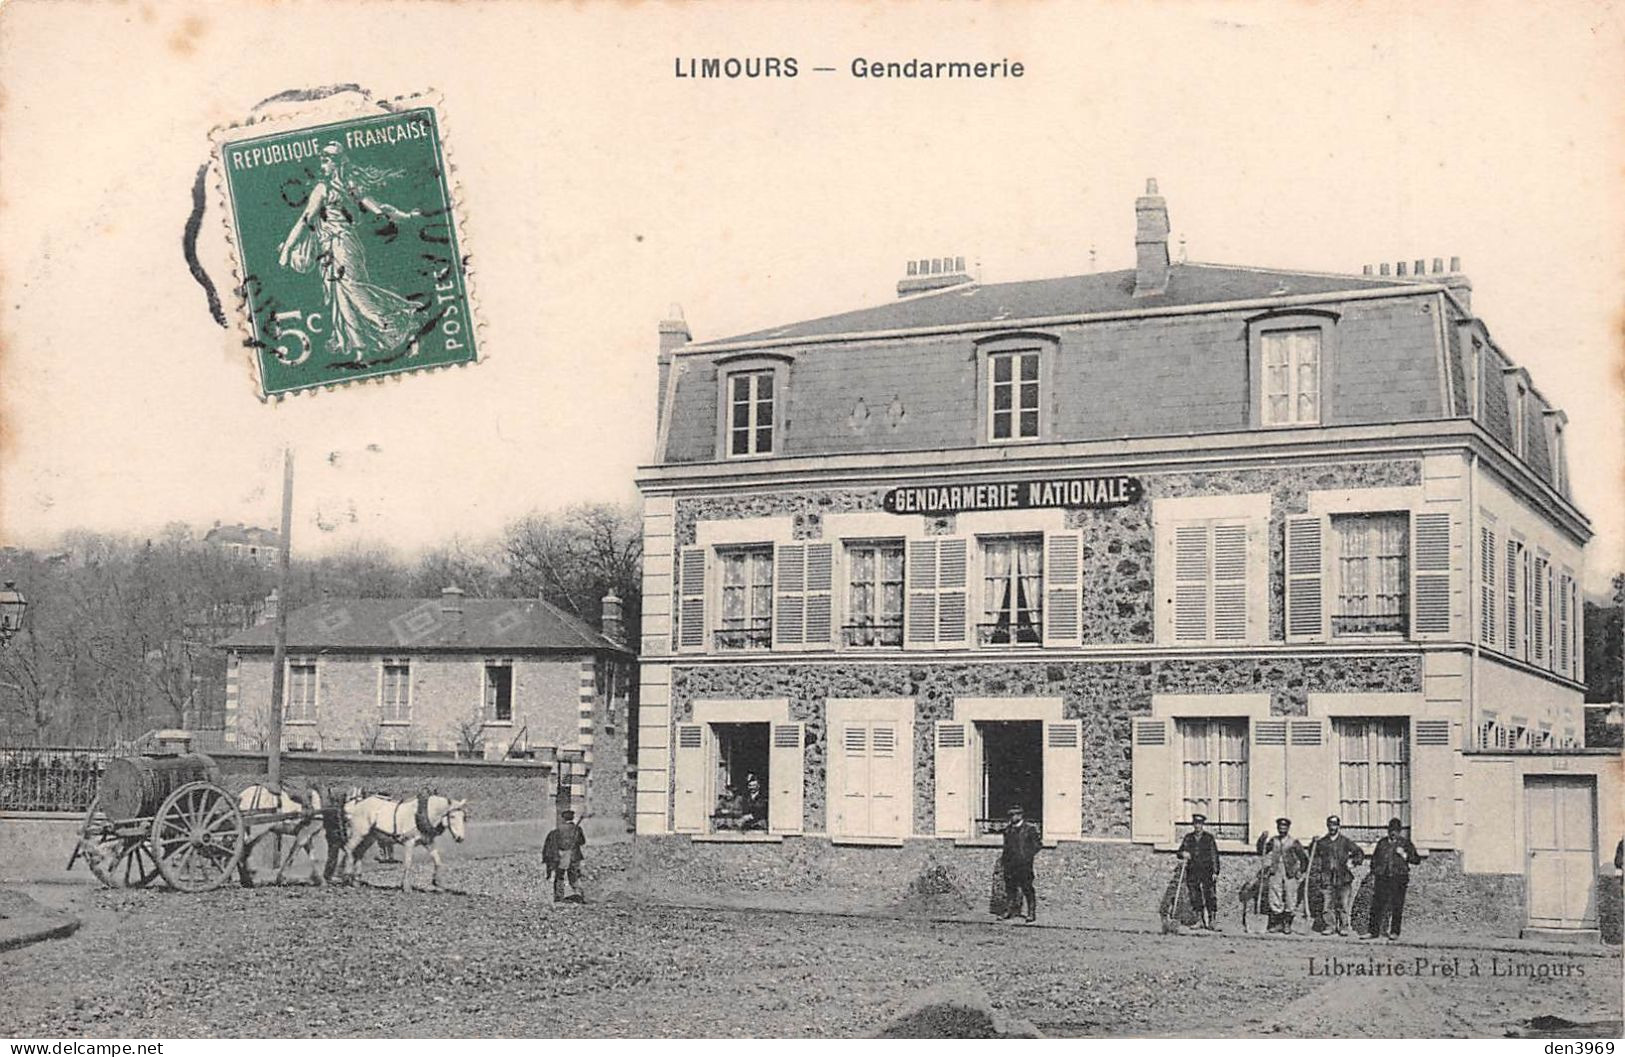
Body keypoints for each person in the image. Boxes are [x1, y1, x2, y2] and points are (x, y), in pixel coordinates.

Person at [277, 142, 426, 363]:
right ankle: (360, 349)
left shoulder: (331, 189)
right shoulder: (344, 186)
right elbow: (376, 207)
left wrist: (288, 248)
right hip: (332, 249)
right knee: (341, 297)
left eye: (326, 161)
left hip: (342, 245)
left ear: (336, 163)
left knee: (354, 288)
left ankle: (396, 317)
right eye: (322, 161)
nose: (323, 165)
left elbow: (306, 219)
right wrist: (404, 216)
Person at [1310, 815, 1365, 935]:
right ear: (1327, 825)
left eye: (1335, 825)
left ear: (1338, 826)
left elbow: (1359, 853)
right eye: (1330, 825)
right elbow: (1313, 855)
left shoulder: (1345, 841)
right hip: (1327, 878)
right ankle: (1330, 926)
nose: (1332, 827)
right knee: (1327, 904)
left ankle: (1344, 927)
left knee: (1343, 904)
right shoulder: (1322, 842)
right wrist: (1312, 843)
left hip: (1343, 878)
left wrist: (1353, 862)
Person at [1368, 817, 1420, 939]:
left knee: (1397, 905)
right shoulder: (1382, 843)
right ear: (1388, 830)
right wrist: (1375, 872)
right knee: (1377, 905)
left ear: (1400, 831)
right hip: (1383, 878)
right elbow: (1374, 860)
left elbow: (1417, 860)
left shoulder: (1405, 843)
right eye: (1391, 830)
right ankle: (1373, 932)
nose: (1393, 832)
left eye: (1396, 830)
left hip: (1399, 878)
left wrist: (1404, 855)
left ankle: (1394, 932)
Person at [1255, 817, 1309, 933]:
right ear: (1277, 828)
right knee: (1275, 896)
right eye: (1280, 827)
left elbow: (1304, 858)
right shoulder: (1273, 841)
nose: (1282, 829)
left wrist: (1300, 871)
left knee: (1290, 897)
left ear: (1288, 828)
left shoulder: (1294, 842)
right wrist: (1262, 839)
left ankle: (1287, 924)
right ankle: (1278, 923)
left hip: (1290, 872)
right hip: (1276, 871)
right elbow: (1261, 851)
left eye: (1284, 827)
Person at [1176, 814, 1221, 931]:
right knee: (1195, 895)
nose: (1197, 826)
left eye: (1200, 824)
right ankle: (1199, 920)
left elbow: (1214, 855)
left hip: (1207, 870)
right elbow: (1179, 852)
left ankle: (1212, 921)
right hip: (1193, 870)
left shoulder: (1208, 838)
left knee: (1210, 895)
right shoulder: (1188, 838)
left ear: (1203, 825)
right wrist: (1183, 854)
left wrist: (1215, 871)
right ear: (1193, 825)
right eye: (1196, 824)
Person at [999, 804, 1043, 923]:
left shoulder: (1029, 829)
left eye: (1014, 815)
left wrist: (1027, 856)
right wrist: (1004, 860)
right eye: (1011, 815)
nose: (1012, 817)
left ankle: (1031, 913)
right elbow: (1006, 847)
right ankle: (1009, 911)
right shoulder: (1008, 830)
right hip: (1010, 864)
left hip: (1024, 865)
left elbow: (1038, 845)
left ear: (1020, 815)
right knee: (1010, 888)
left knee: (1027, 888)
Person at [542, 808, 588, 904]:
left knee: (559, 876)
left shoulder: (558, 830)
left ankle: (559, 896)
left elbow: (554, 844)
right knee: (574, 876)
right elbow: (582, 842)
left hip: (561, 856)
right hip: (574, 856)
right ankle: (579, 894)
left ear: (563, 818)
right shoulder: (577, 829)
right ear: (572, 817)